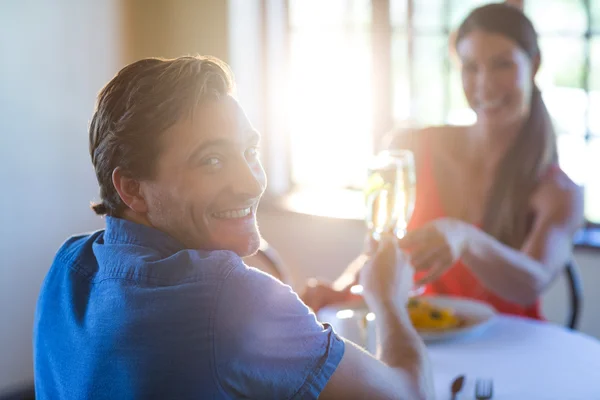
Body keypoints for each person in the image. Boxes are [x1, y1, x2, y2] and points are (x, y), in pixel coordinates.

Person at [33, 55, 433, 399]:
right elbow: (410, 393)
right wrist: (390, 302)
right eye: (212, 160)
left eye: (250, 152)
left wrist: (300, 322)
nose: (252, 182)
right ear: (132, 188)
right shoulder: (230, 300)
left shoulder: (68, 265)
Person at [302, 3, 584, 320]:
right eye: (471, 67)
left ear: (533, 65)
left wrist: (465, 237)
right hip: (422, 337)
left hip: (510, 349)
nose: (485, 83)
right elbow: (383, 250)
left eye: (502, 65)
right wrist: (341, 291)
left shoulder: (560, 191)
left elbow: (531, 283)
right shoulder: (413, 148)